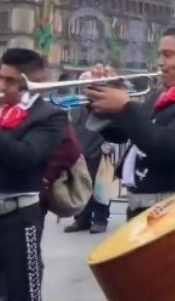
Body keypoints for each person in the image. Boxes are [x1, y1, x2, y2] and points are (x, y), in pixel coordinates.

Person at [84, 28, 175, 219]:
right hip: (145, 210)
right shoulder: (164, 94)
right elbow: (120, 134)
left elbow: (166, 146)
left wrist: (125, 107)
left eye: (168, 55)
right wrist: (100, 97)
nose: (160, 62)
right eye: (159, 55)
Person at [0, 48, 68, 301]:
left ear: (32, 81)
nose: (1, 85)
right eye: (0, 77)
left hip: (18, 218)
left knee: (21, 294)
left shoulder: (50, 116)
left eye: (10, 80)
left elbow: (24, 157)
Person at [63, 73, 112, 234]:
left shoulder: (103, 104)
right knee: (81, 187)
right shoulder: (75, 105)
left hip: (99, 150)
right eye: (83, 85)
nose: (85, 89)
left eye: (88, 85)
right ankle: (81, 219)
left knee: (100, 188)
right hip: (80, 152)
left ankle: (100, 220)